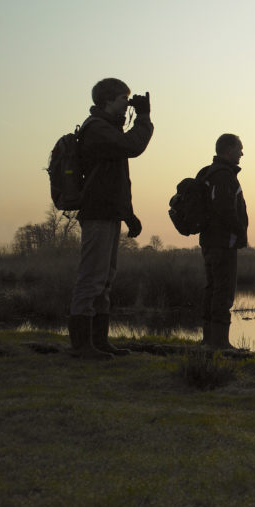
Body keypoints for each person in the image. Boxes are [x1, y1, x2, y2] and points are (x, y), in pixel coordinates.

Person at [69, 78, 154, 359]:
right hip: (97, 214)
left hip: (108, 212)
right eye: (122, 99)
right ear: (107, 100)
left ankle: (99, 342)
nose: (126, 104)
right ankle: (82, 346)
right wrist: (143, 118)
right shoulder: (97, 130)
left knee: (104, 280)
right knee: (91, 278)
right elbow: (133, 145)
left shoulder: (107, 130)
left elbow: (116, 181)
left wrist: (129, 216)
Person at [198, 133, 249, 350]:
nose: (242, 153)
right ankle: (219, 343)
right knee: (223, 291)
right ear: (228, 150)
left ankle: (209, 340)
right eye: (239, 148)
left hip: (211, 241)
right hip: (222, 242)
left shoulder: (209, 172)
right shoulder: (223, 175)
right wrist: (240, 231)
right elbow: (225, 209)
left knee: (213, 289)